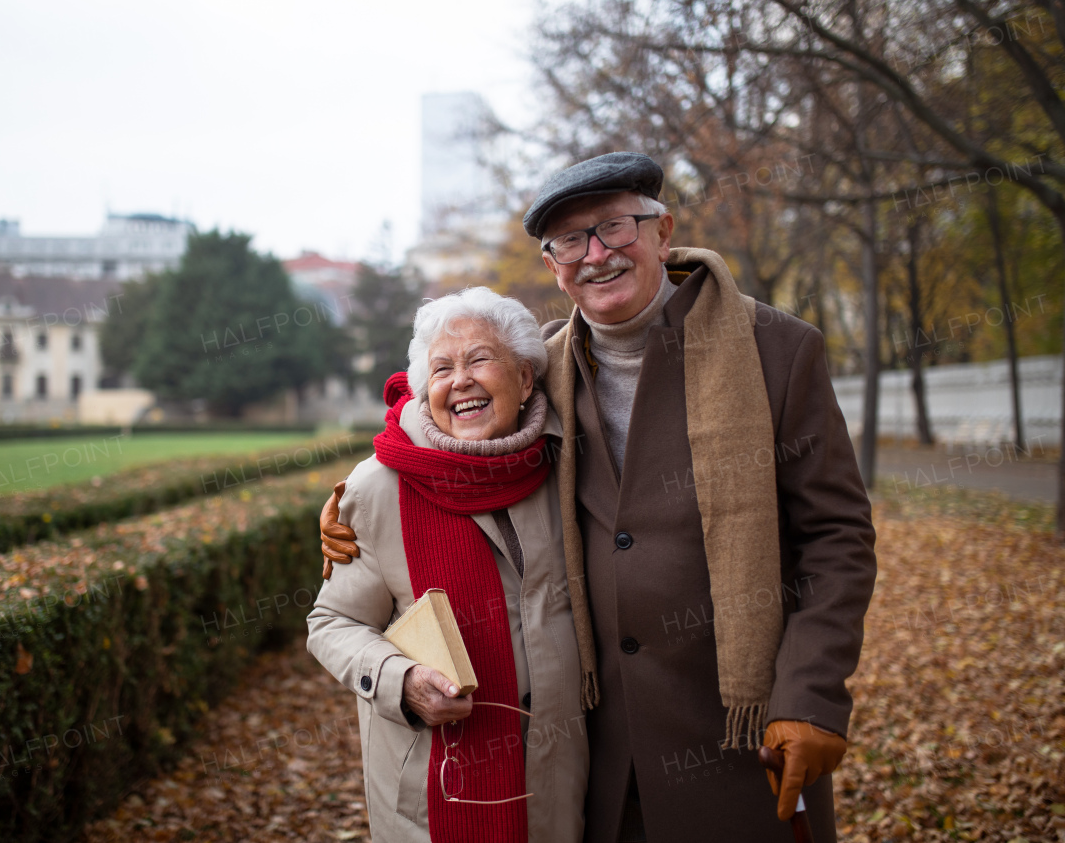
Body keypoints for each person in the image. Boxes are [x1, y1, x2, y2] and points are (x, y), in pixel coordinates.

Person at [320, 152, 877, 843]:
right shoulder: (544, 365)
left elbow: (838, 537)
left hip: (741, 734)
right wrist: (357, 498)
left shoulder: (778, 351)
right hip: (602, 756)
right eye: (569, 242)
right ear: (553, 265)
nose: (596, 254)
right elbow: (443, 423)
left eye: (614, 227)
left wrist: (814, 694)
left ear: (663, 231)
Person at [307, 287, 590, 843]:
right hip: (434, 788)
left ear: (527, 379)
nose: (459, 380)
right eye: (441, 368)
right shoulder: (380, 483)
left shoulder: (569, 464)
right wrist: (400, 680)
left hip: (558, 781)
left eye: (480, 359)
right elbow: (331, 624)